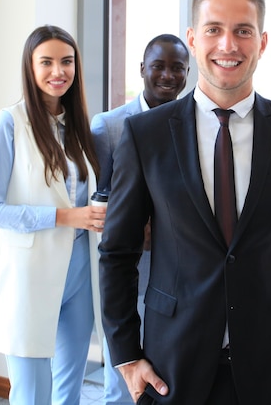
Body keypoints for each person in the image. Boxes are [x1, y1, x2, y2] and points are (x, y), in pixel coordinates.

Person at [99, 0, 271, 405]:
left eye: (243, 31)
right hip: (172, 361)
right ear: (194, 39)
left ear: (263, 41)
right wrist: (124, 355)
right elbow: (117, 251)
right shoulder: (145, 135)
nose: (228, 45)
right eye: (214, 30)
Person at [0, 25, 105, 405]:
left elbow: (84, 195)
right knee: (32, 393)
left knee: (69, 387)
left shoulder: (79, 127)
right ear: (30, 68)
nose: (58, 71)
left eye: (66, 62)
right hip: (29, 274)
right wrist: (63, 218)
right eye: (46, 62)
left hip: (80, 270)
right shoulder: (8, 123)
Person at [91, 33, 190, 405]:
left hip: (180, 265)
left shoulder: (195, 124)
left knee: (167, 367)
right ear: (142, 70)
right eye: (158, 66)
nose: (167, 76)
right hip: (130, 261)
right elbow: (100, 201)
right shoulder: (109, 126)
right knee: (124, 364)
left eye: (177, 68)